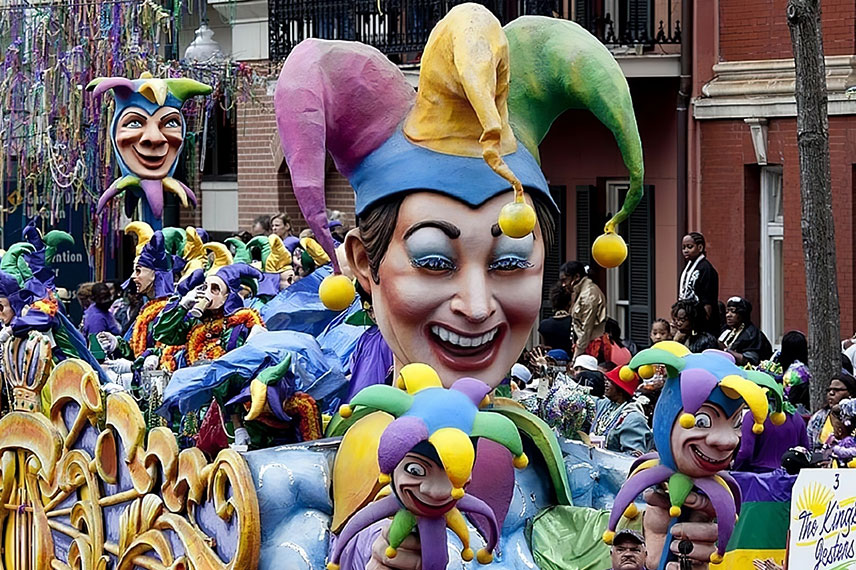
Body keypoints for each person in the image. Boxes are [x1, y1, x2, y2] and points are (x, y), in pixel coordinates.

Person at [733, 370, 810, 473]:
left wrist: (735, 469)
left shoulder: (753, 416)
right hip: (789, 480)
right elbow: (805, 450)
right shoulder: (796, 417)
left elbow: (746, 452)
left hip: (759, 479)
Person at [591, 367, 651, 455]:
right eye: (606, 380)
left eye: (611, 382)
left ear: (621, 389)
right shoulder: (605, 404)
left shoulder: (633, 419)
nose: (606, 384)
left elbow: (632, 457)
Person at [560, 261, 607, 359]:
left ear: (576, 277)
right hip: (584, 345)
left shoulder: (589, 295)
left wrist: (577, 356)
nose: (563, 285)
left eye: (565, 280)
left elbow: (586, 328)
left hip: (591, 347)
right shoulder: (580, 292)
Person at [678, 232, 720, 334]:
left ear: (700, 247)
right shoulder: (689, 267)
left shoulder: (706, 269)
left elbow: (708, 301)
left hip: (701, 325)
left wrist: (703, 325)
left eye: (690, 247)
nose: (686, 251)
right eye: (684, 248)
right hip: (687, 320)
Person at [807, 371, 856, 450]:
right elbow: (809, 446)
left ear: (851, 393)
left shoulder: (853, 416)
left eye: (837, 390)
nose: (831, 393)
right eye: (829, 390)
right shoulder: (819, 417)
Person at [718, 296, 773, 366]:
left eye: (733, 311)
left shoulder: (752, 334)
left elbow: (748, 361)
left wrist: (725, 350)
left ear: (742, 314)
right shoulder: (727, 331)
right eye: (727, 311)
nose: (728, 315)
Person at [538, 281, 574, 354]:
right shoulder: (574, 323)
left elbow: (544, 347)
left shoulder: (544, 325)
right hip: (571, 361)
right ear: (569, 302)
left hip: (550, 361)